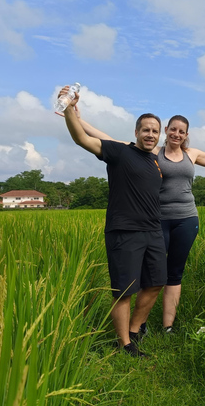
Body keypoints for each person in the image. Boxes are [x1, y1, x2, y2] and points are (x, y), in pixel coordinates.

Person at [75, 110, 205, 334]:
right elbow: (109, 140)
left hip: (186, 218)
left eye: (182, 131)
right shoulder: (152, 150)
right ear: (166, 131)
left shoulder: (192, 154)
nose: (177, 134)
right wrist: (80, 121)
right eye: (173, 130)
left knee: (173, 273)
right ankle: (139, 323)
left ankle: (167, 325)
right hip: (155, 219)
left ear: (186, 134)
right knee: (148, 274)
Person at [59, 86, 166, 357]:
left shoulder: (154, 161)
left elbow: (100, 134)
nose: (150, 134)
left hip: (153, 230)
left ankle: (134, 328)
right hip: (124, 231)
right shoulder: (120, 153)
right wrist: (70, 109)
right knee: (125, 290)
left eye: (155, 131)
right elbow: (82, 139)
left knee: (155, 283)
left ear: (159, 135)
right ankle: (125, 344)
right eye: (146, 129)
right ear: (136, 132)